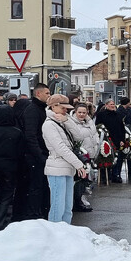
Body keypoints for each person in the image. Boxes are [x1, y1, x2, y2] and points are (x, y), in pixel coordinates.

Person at [42, 94, 88, 223]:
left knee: (68, 207)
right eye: (63, 108)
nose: (66, 110)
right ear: (53, 106)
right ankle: (55, 235)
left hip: (67, 167)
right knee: (58, 206)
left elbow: (79, 137)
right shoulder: (49, 125)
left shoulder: (62, 121)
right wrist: (79, 164)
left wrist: (67, 120)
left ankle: (66, 233)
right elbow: (60, 148)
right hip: (57, 167)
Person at [21, 84, 51, 219]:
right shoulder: (32, 110)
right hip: (35, 157)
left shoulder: (42, 109)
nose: (49, 96)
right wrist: (40, 155)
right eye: (47, 93)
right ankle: (34, 215)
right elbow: (31, 136)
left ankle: (42, 212)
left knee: (43, 187)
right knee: (35, 187)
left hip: (42, 154)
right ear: (38, 94)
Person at [68, 104, 96, 210]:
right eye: (79, 112)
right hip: (78, 154)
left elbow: (93, 136)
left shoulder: (89, 122)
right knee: (79, 180)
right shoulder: (71, 123)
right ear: (75, 112)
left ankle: (80, 200)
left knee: (85, 180)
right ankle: (76, 202)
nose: (81, 114)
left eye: (84, 112)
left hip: (88, 154)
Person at [95, 99, 126, 183]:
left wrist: (122, 139)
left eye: (113, 104)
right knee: (106, 157)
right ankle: (105, 176)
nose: (112, 106)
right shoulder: (101, 115)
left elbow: (121, 128)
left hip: (117, 139)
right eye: (111, 104)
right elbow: (98, 126)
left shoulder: (118, 115)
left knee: (117, 158)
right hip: (106, 139)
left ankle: (116, 175)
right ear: (106, 105)